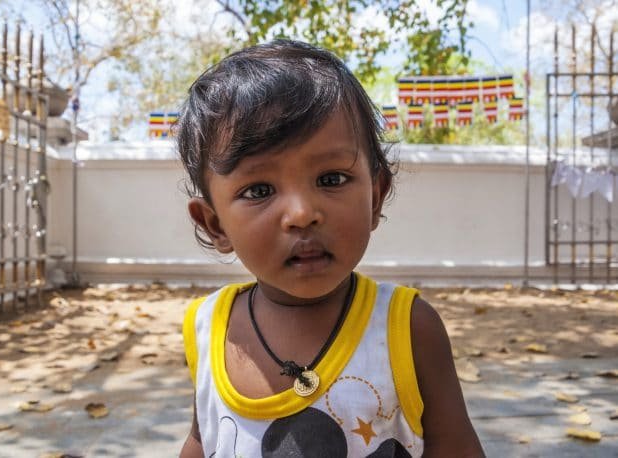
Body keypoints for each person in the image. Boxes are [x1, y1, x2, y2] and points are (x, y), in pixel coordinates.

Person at [177, 39, 484, 458]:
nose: (302, 213)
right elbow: (202, 438)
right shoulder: (208, 328)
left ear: (375, 197)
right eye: (260, 189)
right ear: (215, 224)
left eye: (331, 179)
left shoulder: (407, 330)